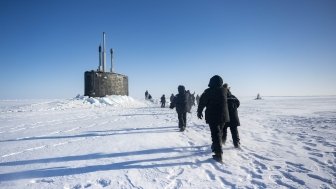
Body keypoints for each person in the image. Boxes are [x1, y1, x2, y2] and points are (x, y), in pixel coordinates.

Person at [197, 75, 229, 163]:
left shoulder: (208, 92)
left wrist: (199, 112)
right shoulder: (225, 90)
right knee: (220, 132)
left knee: (215, 134)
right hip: (224, 116)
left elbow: (202, 103)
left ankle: (218, 154)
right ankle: (217, 146)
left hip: (213, 115)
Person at [222, 84, 241, 148]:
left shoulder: (221, 96)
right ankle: (236, 144)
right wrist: (233, 109)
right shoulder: (233, 96)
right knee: (234, 131)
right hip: (233, 116)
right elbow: (238, 104)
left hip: (225, 117)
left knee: (224, 130)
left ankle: (222, 143)